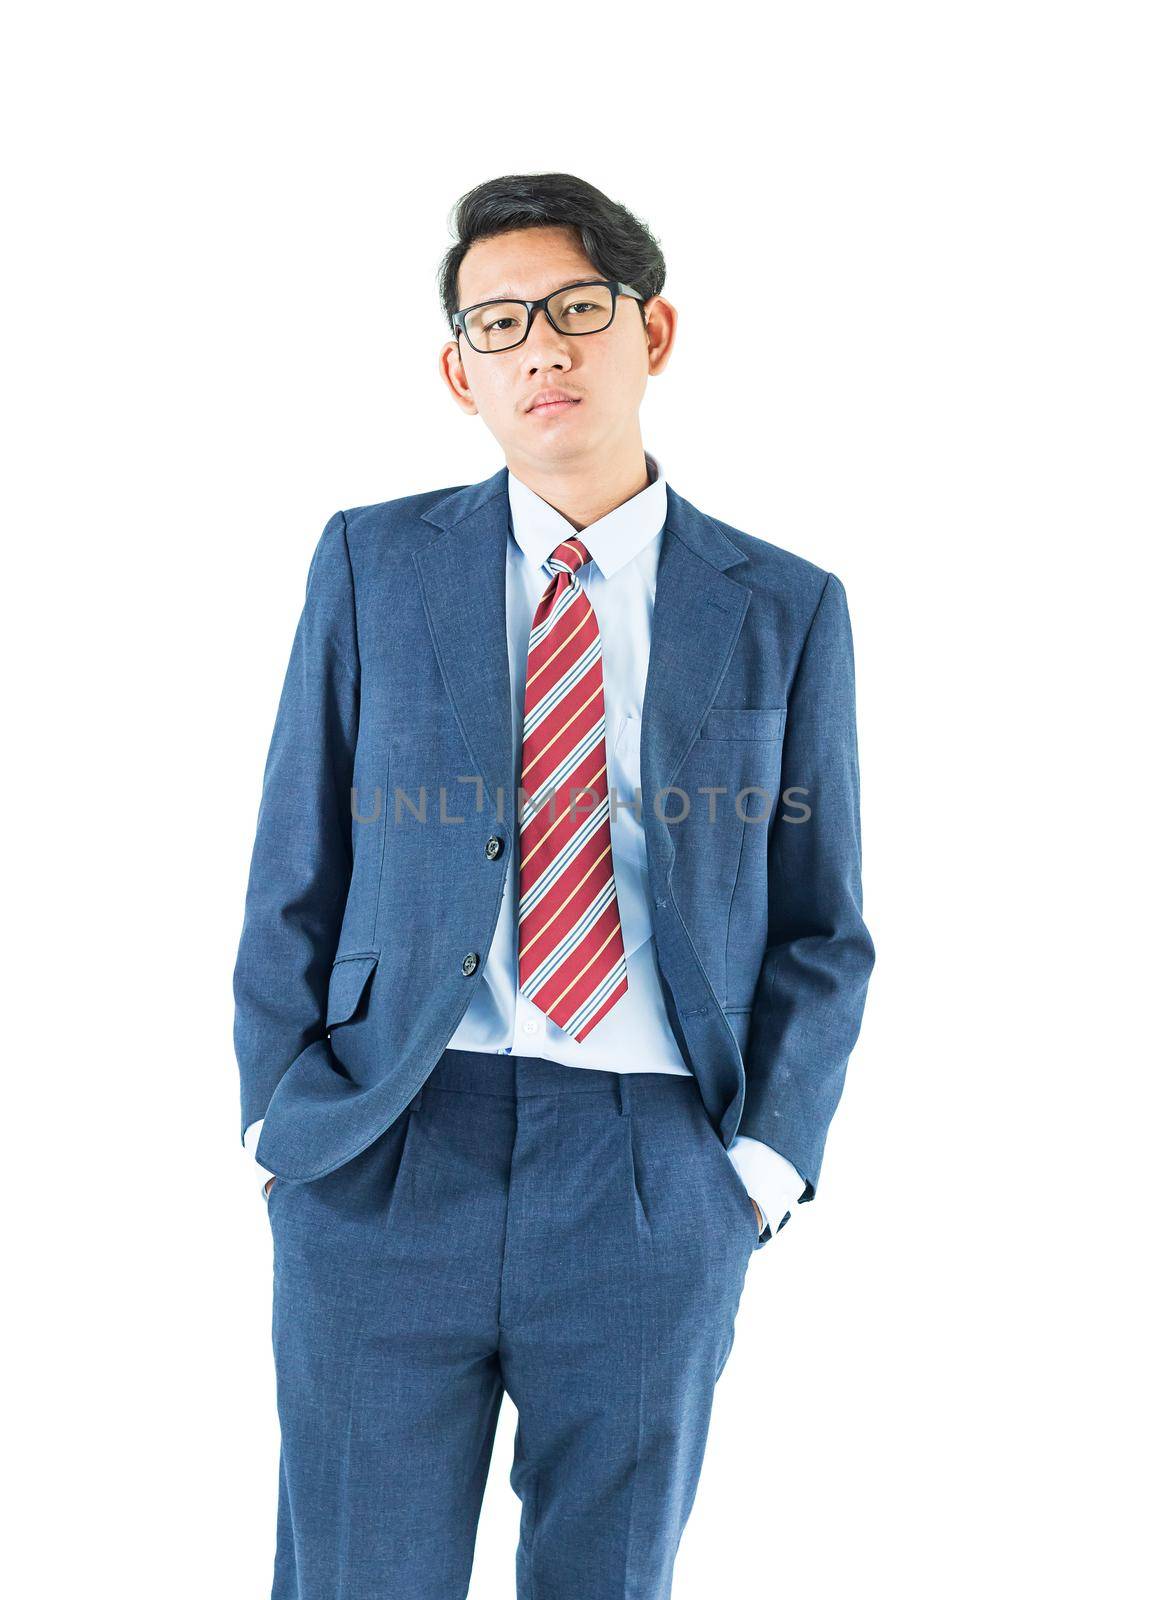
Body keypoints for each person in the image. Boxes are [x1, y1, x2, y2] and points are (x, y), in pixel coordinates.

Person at [233, 170, 875, 1600]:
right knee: (353, 1577)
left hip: (653, 1170)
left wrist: (755, 1171)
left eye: (576, 310)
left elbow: (823, 928)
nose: (542, 349)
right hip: (390, 1145)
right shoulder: (372, 566)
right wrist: (286, 1118)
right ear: (458, 372)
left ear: (652, 334)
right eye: (500, 323)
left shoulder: (783, 604)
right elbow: (295, 859)